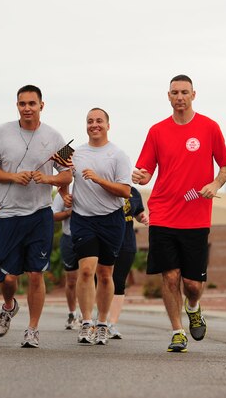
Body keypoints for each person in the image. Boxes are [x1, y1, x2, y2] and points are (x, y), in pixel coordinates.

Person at [133, 74, 226, 353]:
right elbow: (145, 172)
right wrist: (140, 177)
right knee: (171, 276)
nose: (180, 97)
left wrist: (214, 184)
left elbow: (225, 166)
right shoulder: (157, 131)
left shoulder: (210, 128)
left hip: (196, 215)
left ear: (193, 95)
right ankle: (177, 331)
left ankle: (194, 307)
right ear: (168, 96)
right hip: (163, 212)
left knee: (193, 283)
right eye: (175, 92)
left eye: (184, 92)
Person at [0, 85, 72, 348]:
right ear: (17, 106)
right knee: (8, 277)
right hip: (9, 214)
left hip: (40, 214)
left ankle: (32, 329)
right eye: (22, 103)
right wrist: (13, 176)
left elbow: (68, 174)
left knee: (36, 273)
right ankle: (9, 306)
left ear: (41, 106)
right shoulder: (1, 132)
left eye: (32, 103)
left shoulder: (55, 137)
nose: (27, 108)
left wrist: (49, 178)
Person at [70, 108, 131, 346]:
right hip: (83, 218)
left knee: (105, 274)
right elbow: (61, 172)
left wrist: (98, 179)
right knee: (86, 270)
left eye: (99, 121)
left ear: (108, 125)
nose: (94, 125)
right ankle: (86, 322)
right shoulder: (74, 152)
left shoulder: (118, 155)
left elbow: (125, 191)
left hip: (111, 219)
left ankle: (103, 323)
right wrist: (64, 193)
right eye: (89, 121)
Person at [106, 187, 148, 339]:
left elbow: (137, 213)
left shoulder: (133, 192)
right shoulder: (103, 186)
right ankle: (99, 321)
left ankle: (111, 324)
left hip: (127, 241)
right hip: (106, 238)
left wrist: (142, 217)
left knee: (119, 281)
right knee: (102, 279)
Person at [52, 187, 80, 329]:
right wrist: (68, 212)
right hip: (69, 239)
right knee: (71, 280)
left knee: (88, 276)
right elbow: (53, 215)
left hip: (88, 238)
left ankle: (86, 315)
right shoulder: (65, 193)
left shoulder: (92, 189)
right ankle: (72, 314)